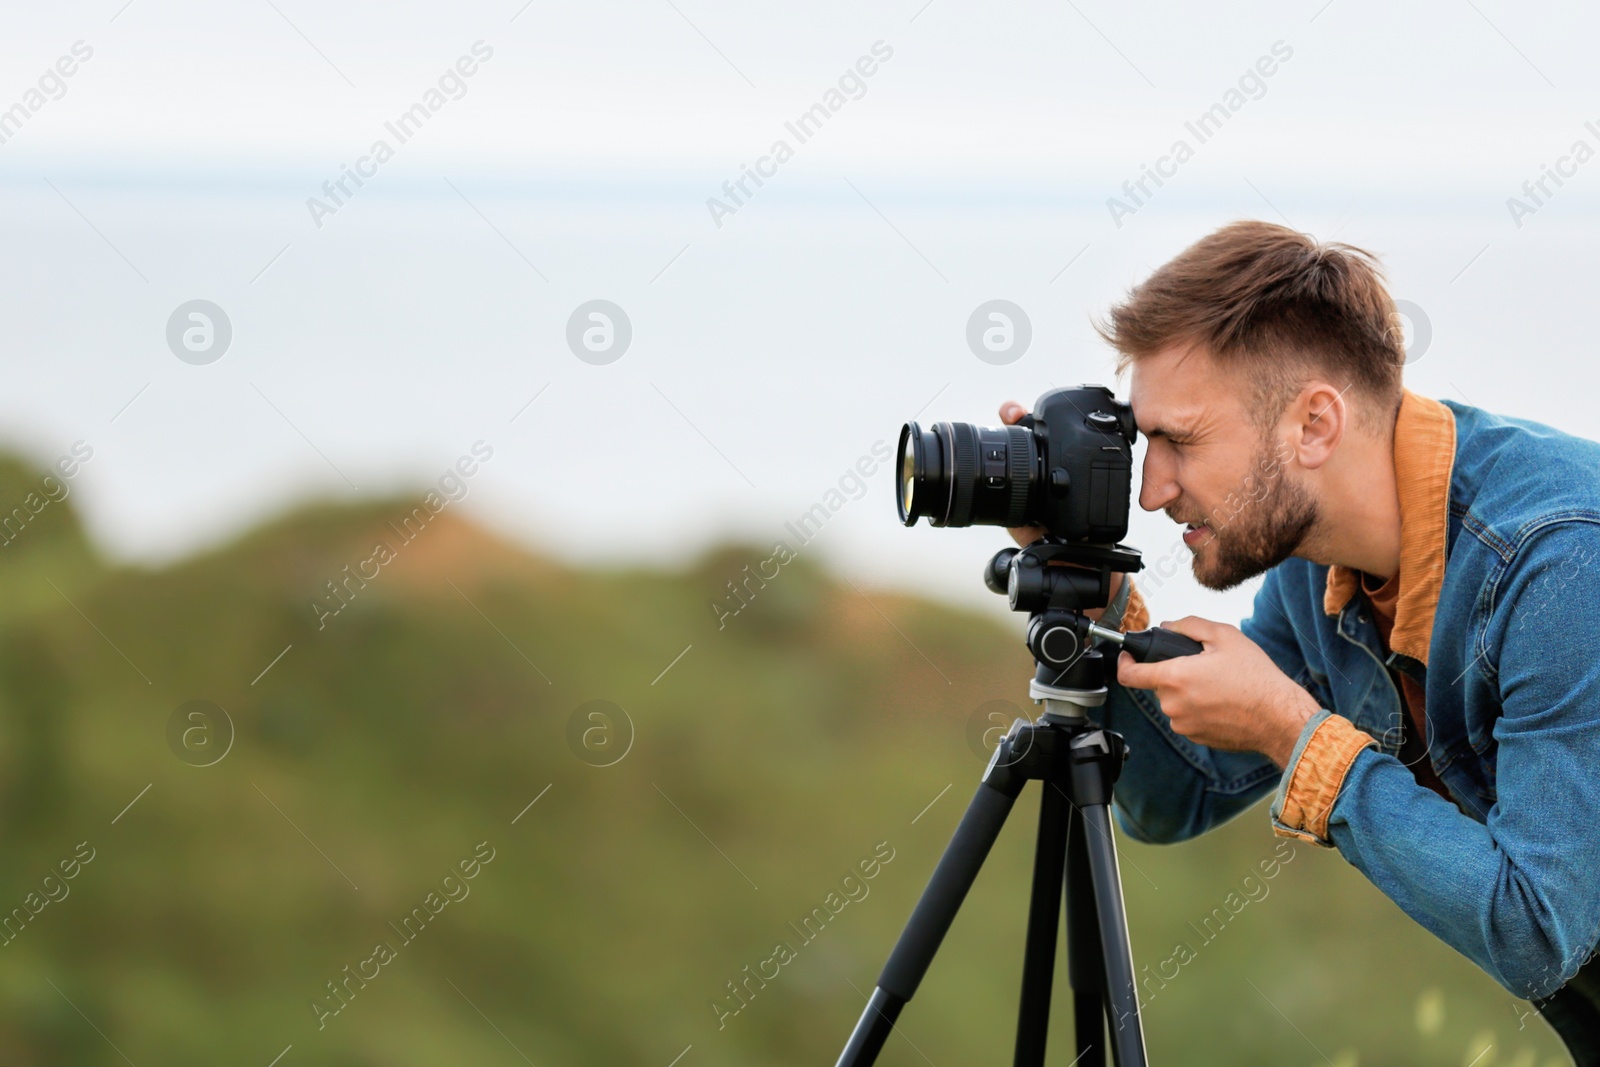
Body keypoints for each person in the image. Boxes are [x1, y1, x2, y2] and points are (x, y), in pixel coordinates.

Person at [999, 220, 1600, 1043]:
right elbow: (1176, 795)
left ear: (1315, 424)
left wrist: (1294, 733)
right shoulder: (1315, 562)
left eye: (1180, 439)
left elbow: (1537, 933)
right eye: (1146, 442)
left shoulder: (1562, 564)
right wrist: (1100, 602)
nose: (1152, 489)